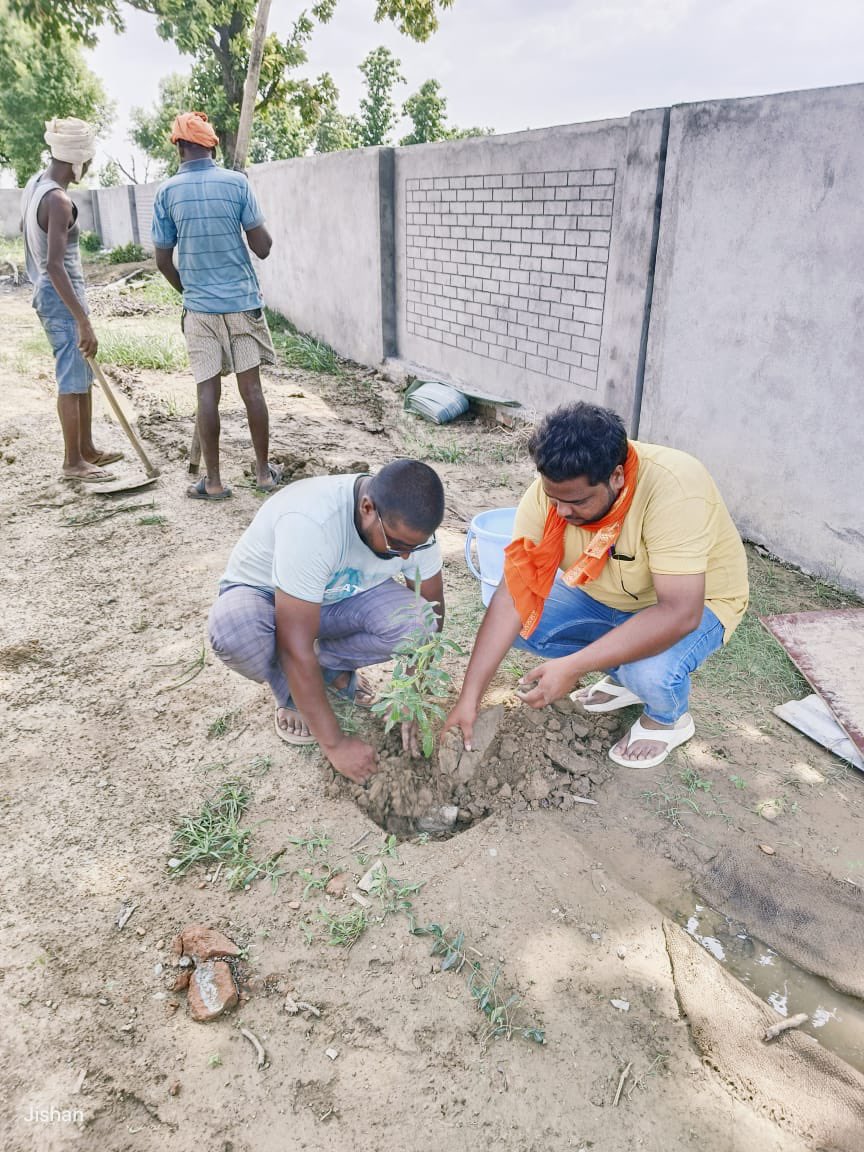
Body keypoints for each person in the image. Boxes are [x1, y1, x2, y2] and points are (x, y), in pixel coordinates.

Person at [444, 403, 749, 769]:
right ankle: (624, 674)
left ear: (616, 477)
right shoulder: (551, 496)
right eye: (553, 498)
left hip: (694, 603)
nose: (561, 512)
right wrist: (469, 698)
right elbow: (513, 595)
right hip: (609, 597)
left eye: (577, 501)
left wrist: (574, 666)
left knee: (648, 673)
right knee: (523, 622)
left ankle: (667, 719)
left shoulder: (675, 488)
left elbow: (680, 612)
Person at [209, 460, 446, 784]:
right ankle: (288, 689)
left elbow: (434, 611)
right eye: (398, 546)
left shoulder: (410, 531)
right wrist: (336, 744)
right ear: (367, 509)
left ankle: (327, 668)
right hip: (267, 599)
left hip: (339, 597)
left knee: (419, 623)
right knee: (237, 633)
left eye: (414, 547)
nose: (406, 556)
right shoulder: (312, 523)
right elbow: (294, 645)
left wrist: (411, 695)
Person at [151, 110, 278, 501]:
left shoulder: (167, 193)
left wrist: (188, 291)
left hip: (200, 310)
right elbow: (263, 247)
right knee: (251, 390)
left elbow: (162, 261)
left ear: (180, 147)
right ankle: (263, 475)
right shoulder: (236, 184)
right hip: (242, 304)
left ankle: (215, 482)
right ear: (211, 146)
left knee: (207, 394)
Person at [21, 117, 124, 482]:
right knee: (71, 376)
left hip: (54, 294)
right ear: (77, 160)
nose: (90, 166)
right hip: (60, 298)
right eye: (89, 160)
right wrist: (83, 320)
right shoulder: (58, 200)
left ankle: (87, 449)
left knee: (82, 373)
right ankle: (73, 462)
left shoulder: (36, 185)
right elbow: (53, 265)